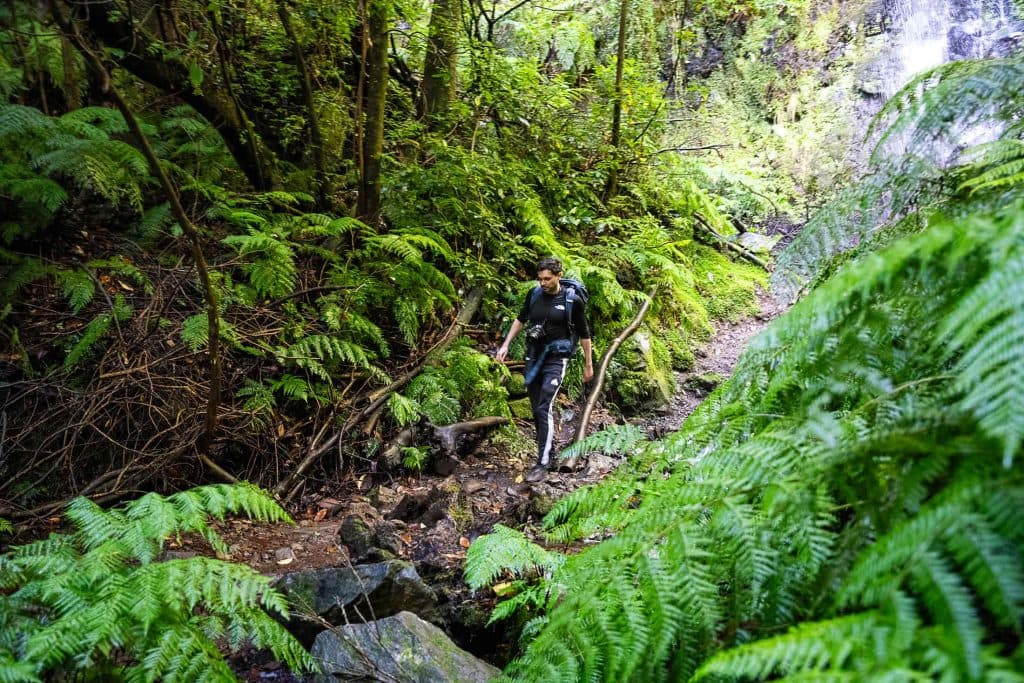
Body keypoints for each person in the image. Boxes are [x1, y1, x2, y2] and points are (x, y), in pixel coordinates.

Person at [496, 257, 593, 482]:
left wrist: (588, 364)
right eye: (540, 279)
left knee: (544, 406)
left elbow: (585, 333)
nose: (543, 283)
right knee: (536, 408)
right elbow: (521, 319)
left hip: (556, 360)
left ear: (559, 276)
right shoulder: (534, 294)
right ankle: (546, 448)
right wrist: (506, 344)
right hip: (533, 357)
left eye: (547, 279)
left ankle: (543, 462)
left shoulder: (572, 300)